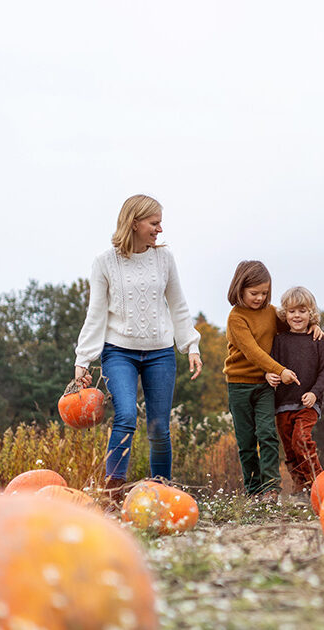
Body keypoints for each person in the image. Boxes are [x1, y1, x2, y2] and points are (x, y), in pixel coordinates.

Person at [73, 194, 203, 501]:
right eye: (154, 223)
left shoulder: (165, 259)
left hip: (160, 352)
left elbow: (178, 304)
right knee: (126, 416)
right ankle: (113, 493)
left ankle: (161, 494)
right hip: (118, 351)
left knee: (159, 427)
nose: (159, 229)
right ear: (135, 223)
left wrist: (191, 345)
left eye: (160, 223)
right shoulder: (105, 262)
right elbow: (96, 313)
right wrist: (84, 358)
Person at [224, 261, 322, 501]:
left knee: (267, 434)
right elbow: (252, 351)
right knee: (246, 441)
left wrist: (315, 326)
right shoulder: (236, 318)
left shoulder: (270, 313)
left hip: (267, 385)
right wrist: (280, 369)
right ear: (240, 289)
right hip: (240, 384)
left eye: (264, 293)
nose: (259, 298)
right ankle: (253, 490)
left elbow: (295, 323)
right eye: (254, 293)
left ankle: (271, 489)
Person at [266, 286, 324, 497]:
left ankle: (319, 483)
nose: (297, 316)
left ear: (310, 313)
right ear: (285, 313)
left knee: (301, 440)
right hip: (283, 404)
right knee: (290, 449)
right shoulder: (279, 340)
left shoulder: (317, 339)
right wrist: (270, 375)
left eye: (302, 311)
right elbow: (272, 365)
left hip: (308, 404)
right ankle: (300, 488)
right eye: (292, 311)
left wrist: (315, 393)